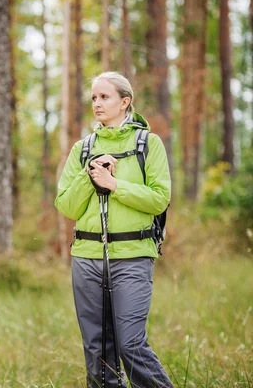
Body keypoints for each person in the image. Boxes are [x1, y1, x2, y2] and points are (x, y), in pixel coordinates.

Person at [55, 71, 174, 388]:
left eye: (104, 97)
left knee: (131, 344)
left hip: (133, 257)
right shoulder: (82, 149)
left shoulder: (148, 144)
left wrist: (114, 184)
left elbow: (160, 199)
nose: (97, 104)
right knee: (97, 352)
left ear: (125, 102)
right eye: (93, 97)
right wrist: (90, 175)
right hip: (86, 258)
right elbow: (66, 206)